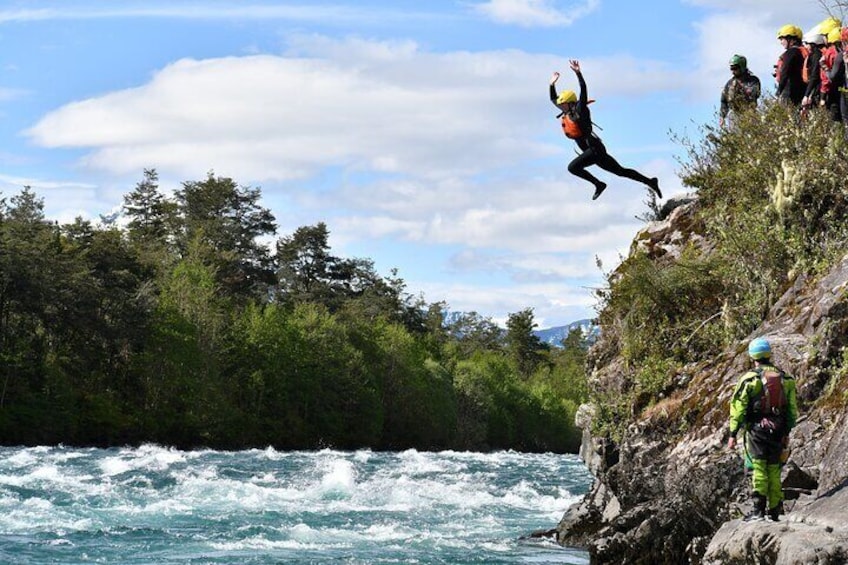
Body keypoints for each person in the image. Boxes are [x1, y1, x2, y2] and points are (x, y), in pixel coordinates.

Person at [550, 59, 662, 201]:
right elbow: (553, 99)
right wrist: (551, 84)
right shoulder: (567, 111)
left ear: (571, 103)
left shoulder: (580, 110)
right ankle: (650, 181)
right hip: (592, 152)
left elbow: (583, 90)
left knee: (572, 167)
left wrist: (578, 73)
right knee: (621, 171)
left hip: (594, 149)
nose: (561, 106)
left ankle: (599, 184)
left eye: (563, 104)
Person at [727, 337, 799, 522]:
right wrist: (787, 431)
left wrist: (733, 434)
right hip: (779, 429)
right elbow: (791, 409)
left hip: (757, 430)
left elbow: (738, 408)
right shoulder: (786, 379)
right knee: (774, 468)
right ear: (769, 354)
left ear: (753, 357)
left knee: (758, 467)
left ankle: (758, 511)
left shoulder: (749, 379)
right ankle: (775, 510)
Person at [719, 54, 761, 127]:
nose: (733, 71)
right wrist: (722, 116)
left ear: (742, 67)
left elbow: (755, 94)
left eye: (735, 68)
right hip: (734, 116)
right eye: (731, 69)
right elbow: (724, 100)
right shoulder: (729, 84)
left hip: (750, 113)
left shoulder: (753, 80)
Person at [775, 25, 807, 106]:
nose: (781, 42)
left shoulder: (791, 52)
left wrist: (779, 89)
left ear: (790, 39)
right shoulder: (802, 51)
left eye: (782, 39)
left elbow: (785, 70)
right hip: (802, 91)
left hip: (790, 91)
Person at [801, 32, 825, 111]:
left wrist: (807, 95)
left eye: (807, 44)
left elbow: (814, 76)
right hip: (816, 88)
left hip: (816, 89)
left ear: (813, 44)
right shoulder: (815, 55)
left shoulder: (816, 55)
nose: (806, 46)